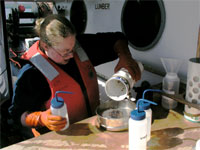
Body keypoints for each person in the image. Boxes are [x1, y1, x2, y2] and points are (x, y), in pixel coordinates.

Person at [8, 14, 141, 138]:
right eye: (65, 52)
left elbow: (117, 38)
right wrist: (41, 118)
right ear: (45, 46)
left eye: (72, 49)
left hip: (93, 127)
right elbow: (17, 114)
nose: (72, 55)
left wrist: (125, 57)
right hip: (61, 138)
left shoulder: (78, 46)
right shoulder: (31, 73)